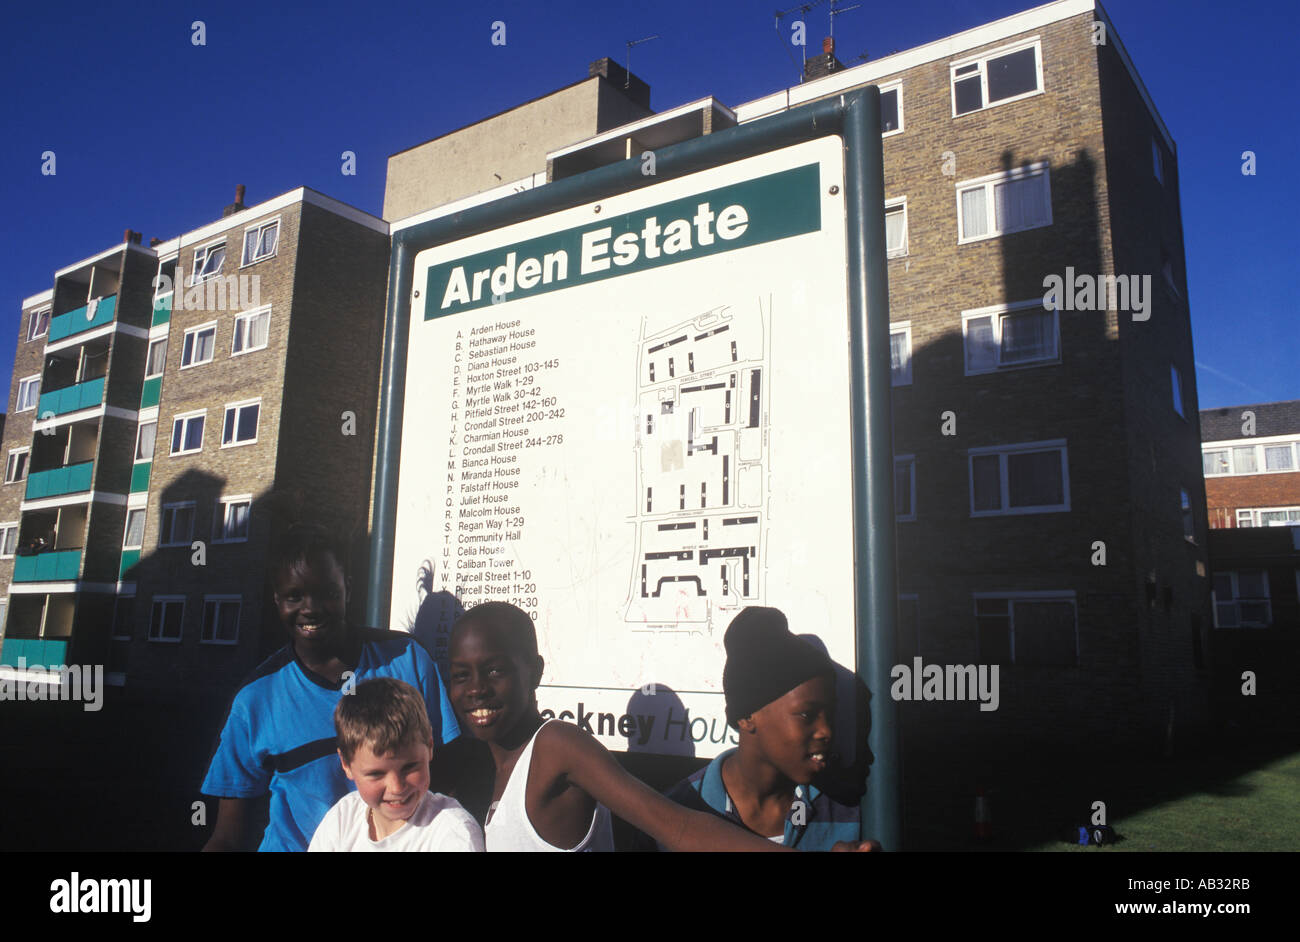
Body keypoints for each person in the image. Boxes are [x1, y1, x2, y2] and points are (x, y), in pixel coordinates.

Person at [442, 601, 787, 852]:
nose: (476, 689)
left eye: (494, 671)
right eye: (461, 675)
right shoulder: (490, 767)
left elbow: (677, 826)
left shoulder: (555, 746)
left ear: (534, 671)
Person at [201, 523, 460, 851]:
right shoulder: (255, 700)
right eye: (294, 596)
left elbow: (449, 780)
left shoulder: (409, 660)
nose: (310, 608)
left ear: (347, 590)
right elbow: (227, 836)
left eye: (326, 593)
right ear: (276, 599)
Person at [663, 606, 878, 851]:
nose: (826, 731)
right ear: (745, 716)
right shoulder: (678, 811)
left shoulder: (847, 811)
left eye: (830, 714)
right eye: (807, 715)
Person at [308, 678, 482, 851]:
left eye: (409, 767)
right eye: (376, 774)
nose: (397, 788)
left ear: (429, 745)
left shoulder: (452, 833)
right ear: (346, 764)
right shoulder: (343, 819)